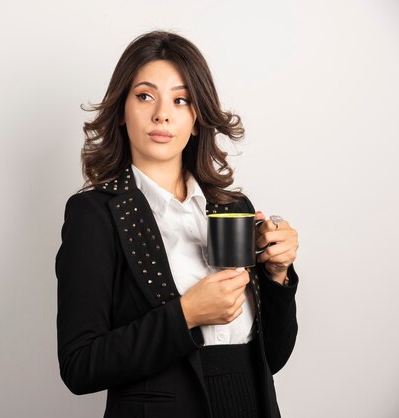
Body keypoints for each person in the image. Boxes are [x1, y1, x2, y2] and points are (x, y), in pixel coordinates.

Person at [55, 30, 299, 418]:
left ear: (198, 117)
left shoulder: (233, 208)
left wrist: (278, 275)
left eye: (180, 99)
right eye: (145, 96)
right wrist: (186, 315)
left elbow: (274, 356)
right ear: (121, 110)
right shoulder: (95, 214)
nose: (162, 114)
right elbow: (80, 365)